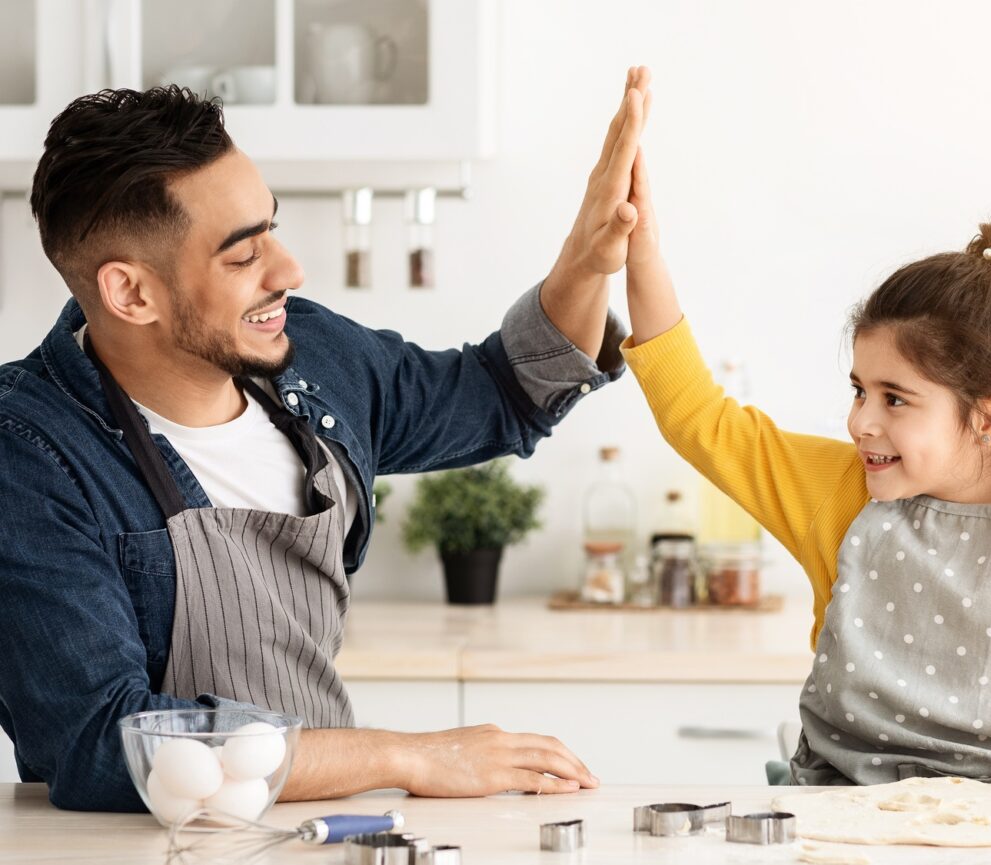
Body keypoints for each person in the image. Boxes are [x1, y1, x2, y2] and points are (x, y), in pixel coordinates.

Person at [0, 67, 652, 811]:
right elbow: (103, 743)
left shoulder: (311, 360)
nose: (289, 271)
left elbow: (498, 392)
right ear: (131, 293)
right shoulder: (30, 453)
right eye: (243, 256)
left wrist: (587, 259)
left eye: (270, 228)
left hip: (321, 828)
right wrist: (408, 755)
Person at [618, 142, 991, 793]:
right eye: (859, 389)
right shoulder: (839, 494)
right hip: (850, 821)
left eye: (895, 398)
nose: (860, 421)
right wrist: (640, 252)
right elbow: (697, 416)